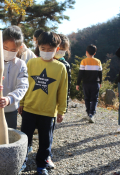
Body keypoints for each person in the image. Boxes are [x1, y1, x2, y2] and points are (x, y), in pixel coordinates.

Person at [19, 32, 67, 175]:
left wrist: (61, 111)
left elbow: (63, 91)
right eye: (43, 48)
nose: (46, 52)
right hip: (29, 109)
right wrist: (21, 102)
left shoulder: (60, 68)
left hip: (48, 112)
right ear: (38, 47)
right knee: (24, 140)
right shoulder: (31, 63)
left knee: (45, 142)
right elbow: (24, 85)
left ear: (57, 49)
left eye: (50, 50)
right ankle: (21, 162)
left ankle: (41, 165)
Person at [44, 33, 71, 170]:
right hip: (40, 103)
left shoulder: (65, 65)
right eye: (59, 48)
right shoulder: (43, 60)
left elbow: (66, 89)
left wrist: (63, 109)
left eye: (63, 50)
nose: (60, 52)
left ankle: (47, 156)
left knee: (49, 132)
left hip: (53, 107)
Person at [76, 44, 102, 123]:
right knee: (94, 99)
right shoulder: (98, 61)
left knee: (87, 98)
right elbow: (100, 73)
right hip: (95, 83)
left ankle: (88, 113)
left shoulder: (84, 61)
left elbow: (80, 73)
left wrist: (78, 84)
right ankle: (91, 114)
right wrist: (100, 82)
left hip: (86, 84)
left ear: (86, 52)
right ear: (95, 53)